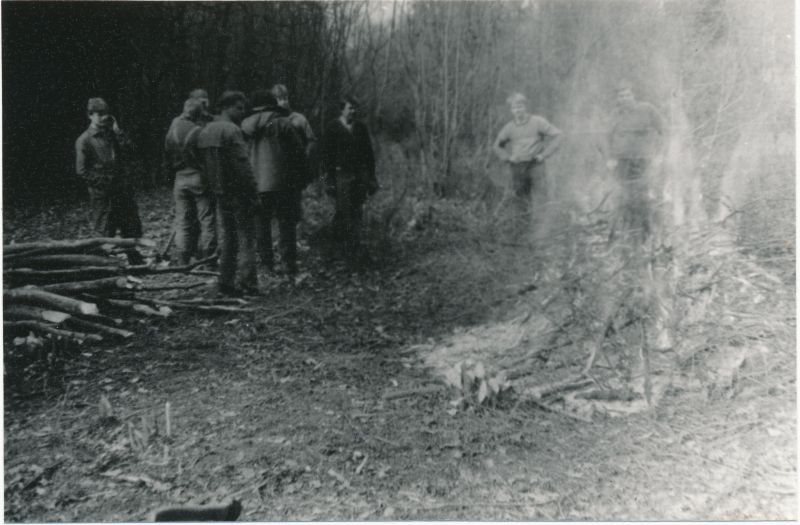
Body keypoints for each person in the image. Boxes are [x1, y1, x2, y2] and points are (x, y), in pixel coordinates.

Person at [193, 91, 259, 296]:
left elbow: (198, 162)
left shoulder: (205, 131)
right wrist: (253, 192)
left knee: (229, 237)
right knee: (247, 237)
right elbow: (243, 166)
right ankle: (248, 283)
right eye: (238, 108)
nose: (242, 112)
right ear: (226, 107)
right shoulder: (232, 130)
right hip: (239, 191)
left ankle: (226, 281)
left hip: (219, 192)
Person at [241, 89, 308, 276]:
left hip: (256, 184)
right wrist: (301, 176)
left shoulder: (245, 125)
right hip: (283, 183)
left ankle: (266, 265)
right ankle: (288, 265)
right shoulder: (283, 123)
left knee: (261, 225)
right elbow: (298, 152)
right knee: (286, 224)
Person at [75, 97, 145, 264]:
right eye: (98, 114)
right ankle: (101, 264)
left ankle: (134, 259)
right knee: (105, 230)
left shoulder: (112, 134)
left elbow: (131, 151)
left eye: (104, 113)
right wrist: (103, 183)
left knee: (130, 225)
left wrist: (118, 132)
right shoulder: (85, 140)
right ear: (90, 115)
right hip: (103, 194)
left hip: (121, 189)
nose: (102, 117)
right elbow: (82, 171)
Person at [493, 92, 562, 236]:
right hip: (518, 168)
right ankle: (523, 233)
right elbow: (497, 146)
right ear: (511, 110)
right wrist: (508, 157)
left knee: (541, 197)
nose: (517, 110)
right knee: (520, 200)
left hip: (535, 165)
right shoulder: (509, 128)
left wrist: (544, 155)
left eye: (520, 106)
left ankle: (544, 232)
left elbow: (558, 135)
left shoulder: (537, 121)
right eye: (514, 108)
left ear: (525, 107)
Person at [605, 80, 665, 241]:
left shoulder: (647, 109)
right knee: (623, 195)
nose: (624, 98)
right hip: (622, 161)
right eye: (621, 96)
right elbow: (607, 137)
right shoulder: (615, 114)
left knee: (645, 194)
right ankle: (626, 231)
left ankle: (648, 230)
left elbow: (664, 130)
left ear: (634, 95)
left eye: (627, 95)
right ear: (617, 99)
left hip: (644, 159)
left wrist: (660, 154)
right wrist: (610, 158)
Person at [323, 96, 378, 263]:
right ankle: (338, 249)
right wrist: (329, 180)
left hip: (359, 175)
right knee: (342, 211)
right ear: (342, 110)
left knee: (357, 211)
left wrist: (372, 178)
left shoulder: (361, 128)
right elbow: (326, 156)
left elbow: (369, 154)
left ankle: (356, 250)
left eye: (355, 108)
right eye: (349, 108)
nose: (353, 111)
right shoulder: (332, 128)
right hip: (341, 175)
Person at [164, 98, 216, 265]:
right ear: (198, 114)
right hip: (198, 177)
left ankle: (183, 260)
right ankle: (209, 260)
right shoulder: (199, 131)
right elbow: (206, 158)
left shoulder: (173, 127)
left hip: (179, 177)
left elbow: (167, 154)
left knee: (183, 220)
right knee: (207, 219)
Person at [271, 83, 318, 225]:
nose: (283, 102)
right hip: (276, 170)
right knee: (277, 208)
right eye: (279, 98)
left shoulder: (298, 118)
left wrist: (305, 157)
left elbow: (311, 140)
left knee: (294, 207)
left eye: (285, 97)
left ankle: (295, 231)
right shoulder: (270, 120)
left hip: (295, 169)